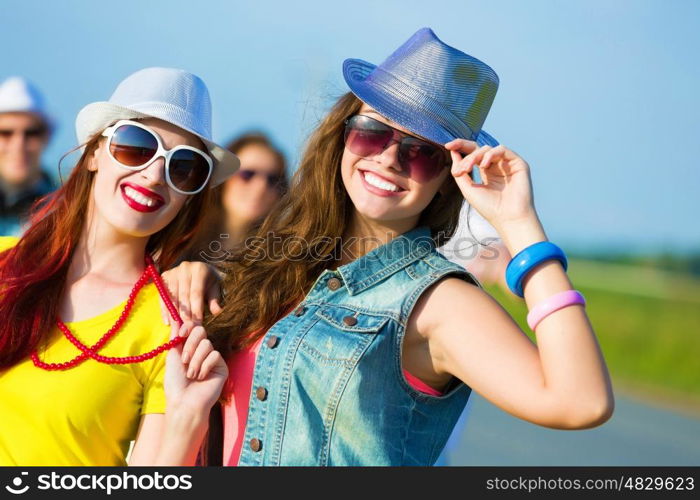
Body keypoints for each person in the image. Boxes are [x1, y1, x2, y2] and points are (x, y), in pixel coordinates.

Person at [166, 27, 614, 466]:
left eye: (421, 152)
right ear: (343, 135)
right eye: (371, 132)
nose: (388, 158)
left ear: (446, 179)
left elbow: (581, 401)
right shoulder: (282, 265)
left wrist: (520, 225)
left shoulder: (439, 303)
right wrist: (205, 276)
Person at [0, 67, 234, 466]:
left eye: (183, 166)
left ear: (189, 195)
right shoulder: (5, 262)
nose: (155, 174)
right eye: (137, 146)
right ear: (93, 154)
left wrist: (190, 418)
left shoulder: (171, 326)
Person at [181, 132, 287, 263]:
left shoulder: (282, 261)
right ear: (222, 179)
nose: (260, 187)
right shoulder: (178, 241)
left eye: (273, 179)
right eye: (248, 174)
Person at [0, 77, 58, 236]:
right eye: (6, 133)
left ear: (46, 137)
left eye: (31, 133)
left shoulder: (69, 209)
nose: (18, 145)